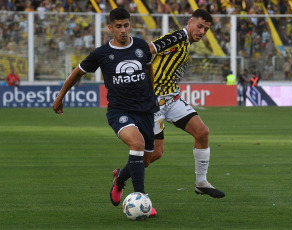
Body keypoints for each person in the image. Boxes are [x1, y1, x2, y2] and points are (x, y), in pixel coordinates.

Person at [52, 8, 158, 216]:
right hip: (120, 111)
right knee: (137, 144)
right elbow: (77, 72)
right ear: (110, 28)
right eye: (118, 26)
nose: (123, 30)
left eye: (126, 25)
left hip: (146, 109)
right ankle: (143, 201)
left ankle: (119, 178)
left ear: (130, 25)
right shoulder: (101, 54)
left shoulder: (140, 46)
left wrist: (152, 93)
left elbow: (148, 69)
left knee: (144, 160)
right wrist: (60, 96)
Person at [145, 9, 225, 198]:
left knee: (202, 132)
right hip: (155, 101)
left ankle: (201, 182)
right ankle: (122, 176)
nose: (202, 31)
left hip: (171, 98)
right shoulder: (178, 37)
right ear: (190, 22)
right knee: (156, 153)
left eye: (206, 29)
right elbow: (149, 49)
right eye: (199, 26)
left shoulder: (186, 43)